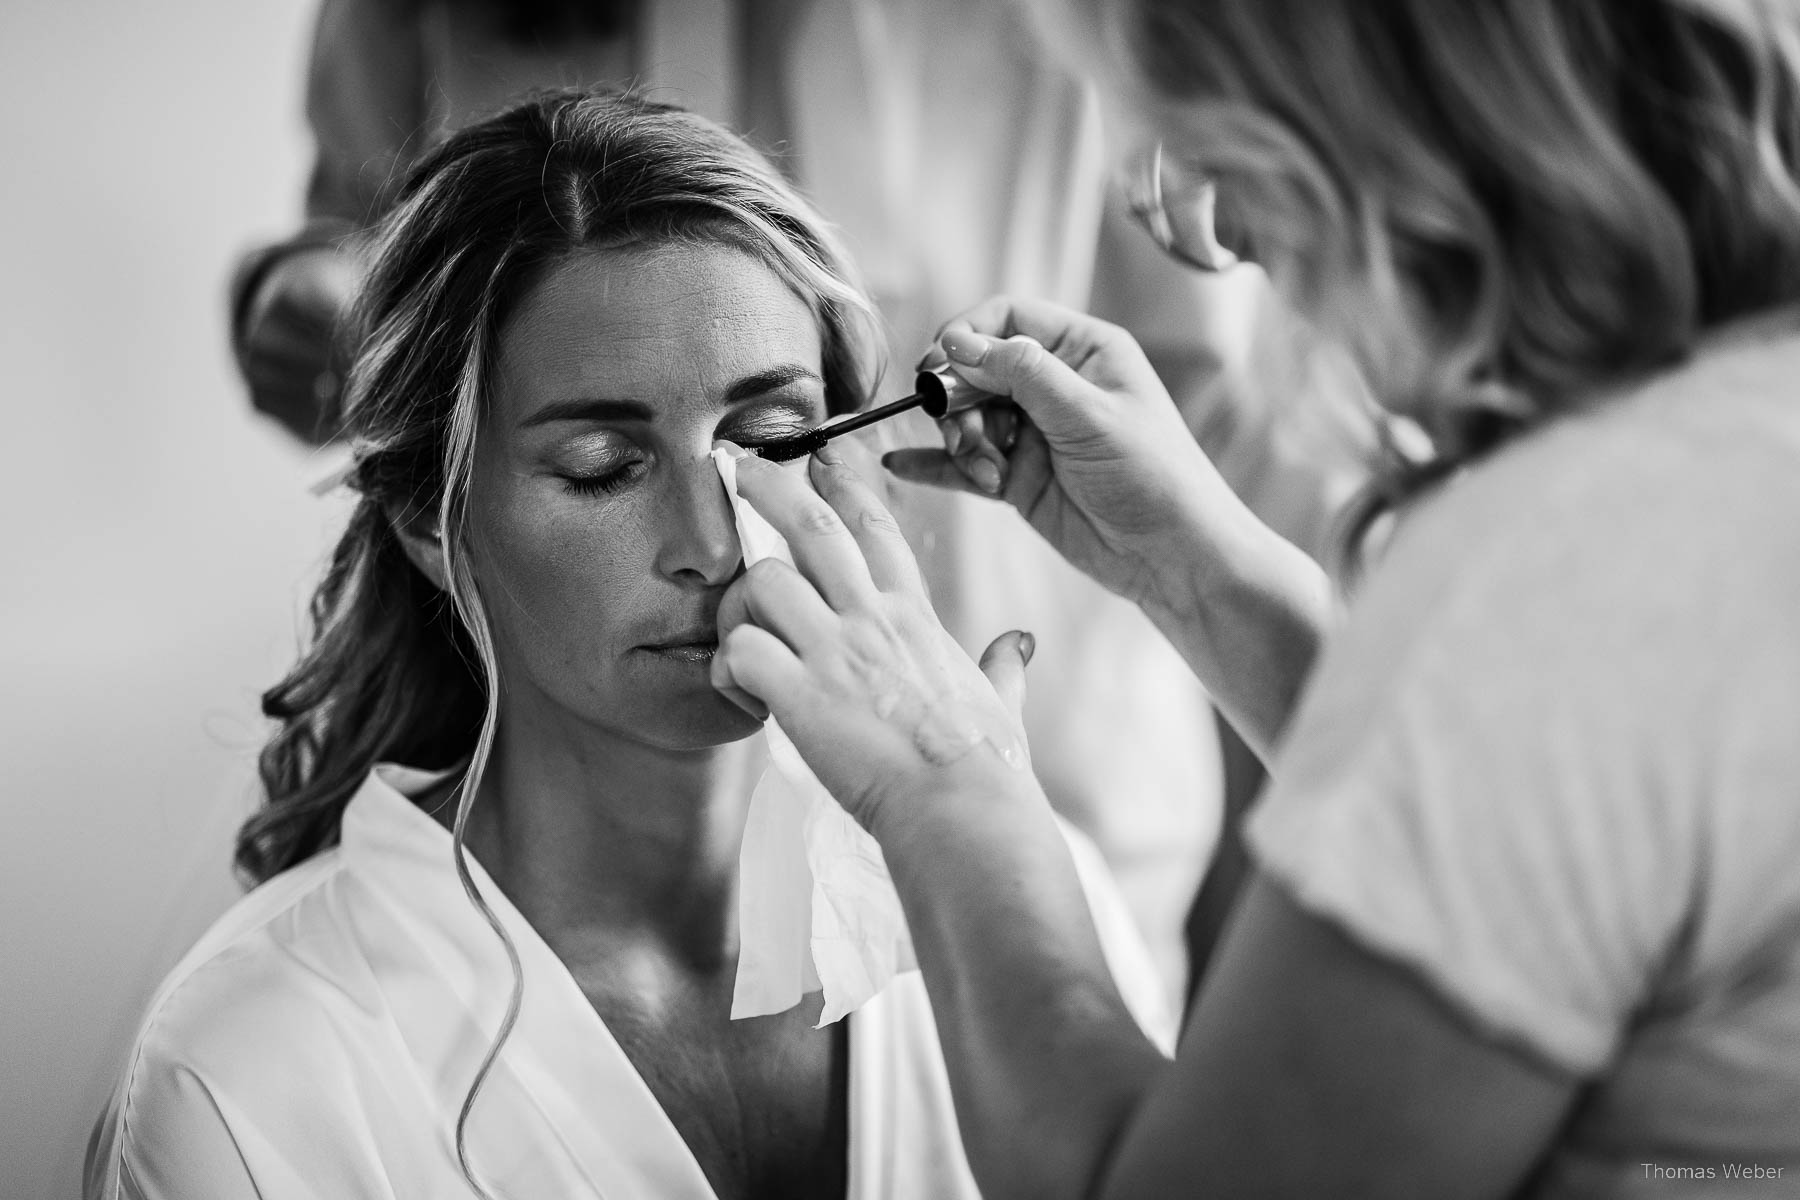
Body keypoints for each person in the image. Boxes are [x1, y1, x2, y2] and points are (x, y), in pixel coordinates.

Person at [706, 1, 1800, 1196]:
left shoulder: (1541, 583)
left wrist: (944, 783)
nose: (1213, 236)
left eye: (1190, 144)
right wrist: (1193, 573)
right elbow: (1570, 823)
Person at [85, 90, 1170, 1200]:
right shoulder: (247, 1079)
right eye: (604, 465)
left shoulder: (1031, 903)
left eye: (769, 438)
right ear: (429, 519)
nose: (710, 544)